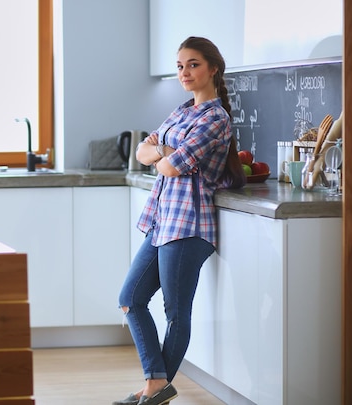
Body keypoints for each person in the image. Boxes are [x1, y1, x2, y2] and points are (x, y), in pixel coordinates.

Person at [114, 36, 245, 405]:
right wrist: (162, 152)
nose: (185, 73)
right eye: (180, 66)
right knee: (130, 298)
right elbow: (144, 151)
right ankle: (157, 384)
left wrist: (163, 154)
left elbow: (170, 166)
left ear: (213, 69)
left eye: (193, 65)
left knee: (175, 312)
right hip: (162, 222)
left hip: (189, 226)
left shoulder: (215, 118)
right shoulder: (182, 110)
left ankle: (155, 388)